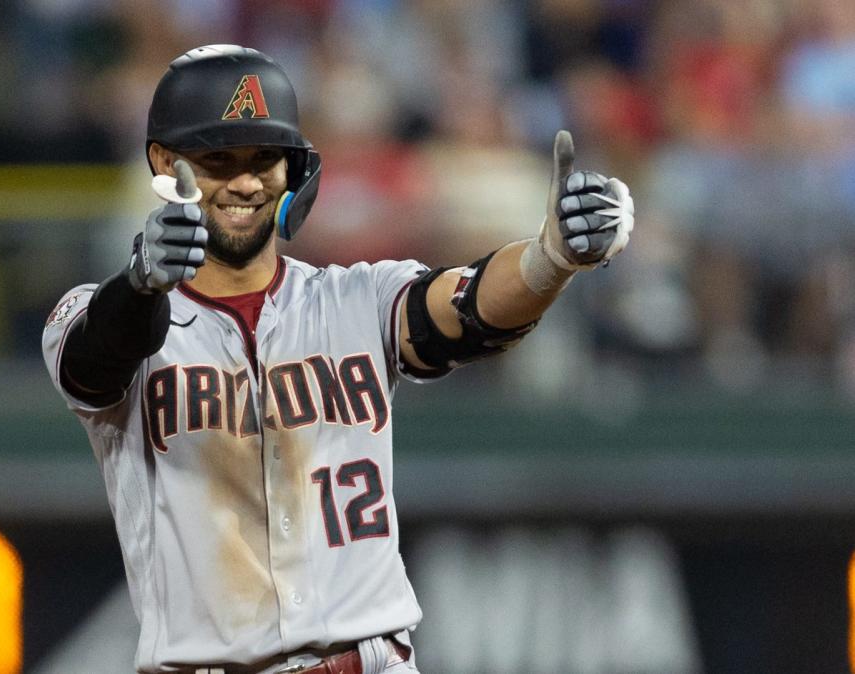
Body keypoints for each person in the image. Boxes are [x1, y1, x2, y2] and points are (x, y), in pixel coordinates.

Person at [42, 44, 634, 674]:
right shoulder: (97, 312)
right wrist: (140, 282)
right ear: (165, 162)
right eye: (216, 158)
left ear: (294, 170)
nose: (244, 180)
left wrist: (554, 257)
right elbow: (96, 358)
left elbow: (467, 309)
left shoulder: (353, 298)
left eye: (263, 157)